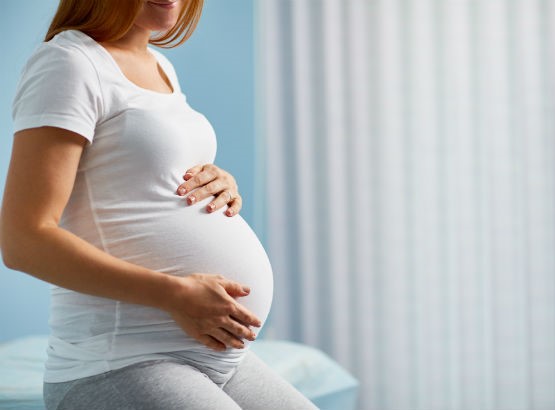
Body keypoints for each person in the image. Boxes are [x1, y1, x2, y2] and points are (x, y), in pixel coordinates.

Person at [1, 0, 318, 409]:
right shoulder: (69, 63)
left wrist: (221, 181)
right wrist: (175, 294)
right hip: (120, 361)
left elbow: (142, 176)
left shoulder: (160, 66)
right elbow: (24, 240)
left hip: (218, 357)